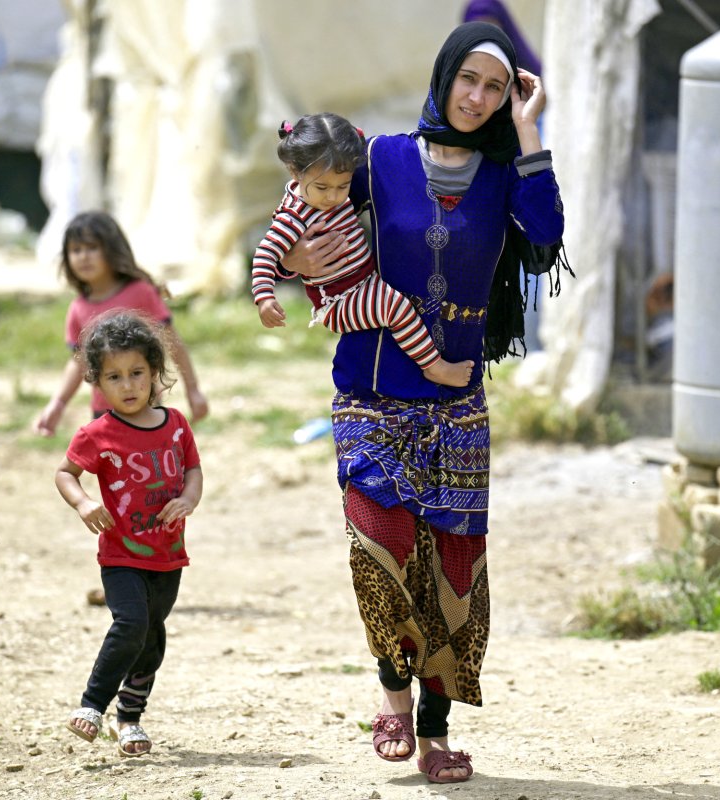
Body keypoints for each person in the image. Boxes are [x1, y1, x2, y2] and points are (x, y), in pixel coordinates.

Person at [281, 21, 565, 784]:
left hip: (457, 402)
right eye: (467, 79)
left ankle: (435, 733)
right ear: (442, 78)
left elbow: (546, 233)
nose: (477, 97)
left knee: (453, 572)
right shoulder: (380, 158)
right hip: (371, 392)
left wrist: (529, 130)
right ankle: (391, 698)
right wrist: (299, 260)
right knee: (379, 546)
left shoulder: (506, 174)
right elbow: (309, 194)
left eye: (495, 87)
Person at [56, 310, 203, 757]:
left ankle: (131, 718)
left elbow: (194, 470)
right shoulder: (96, 434)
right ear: (98, 383)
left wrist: (189, 500)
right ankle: (93, 705)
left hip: (168, 555)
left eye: (137, 373)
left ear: (155, 372)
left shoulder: (176, 425)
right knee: (131, 623)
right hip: (120, 554)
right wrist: (83, 503)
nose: (129, 385)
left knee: (152, 634)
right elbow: (65, 474)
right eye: (115, 377)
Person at [252, 113, 474, 388]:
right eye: (322, 187)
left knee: (404, 299)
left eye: (342, 186)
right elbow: (265, 254)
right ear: (295, 171)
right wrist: (264, 298)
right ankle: (434, 366)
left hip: (365, 283)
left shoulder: (331, 195)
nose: (333, 196)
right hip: (338, 301)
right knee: (395, 308)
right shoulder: (295, 216)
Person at [33, 211, 209, 437]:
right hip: (103, 414)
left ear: (111, 249)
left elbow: (172, 342)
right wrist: (57, 404)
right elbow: (78, 363)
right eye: (76, 250)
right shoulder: (77, 309)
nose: (84, 257)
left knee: (154, 469)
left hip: (146, 407)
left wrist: (193, 390)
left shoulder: (140, 293)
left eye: (92, 248)